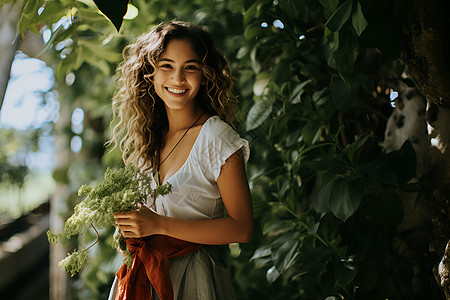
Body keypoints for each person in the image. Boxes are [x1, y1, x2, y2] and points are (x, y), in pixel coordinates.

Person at [108, 21, 253, 300]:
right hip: (142, 274)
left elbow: (242, 228)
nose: (177, 78)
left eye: (190, 67)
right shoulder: (149, 136)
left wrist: (158, 224)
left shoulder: (216, 137)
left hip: (194, 278)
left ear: (205, 73)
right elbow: (148, 216)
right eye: (166, 65)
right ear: (149, 72)